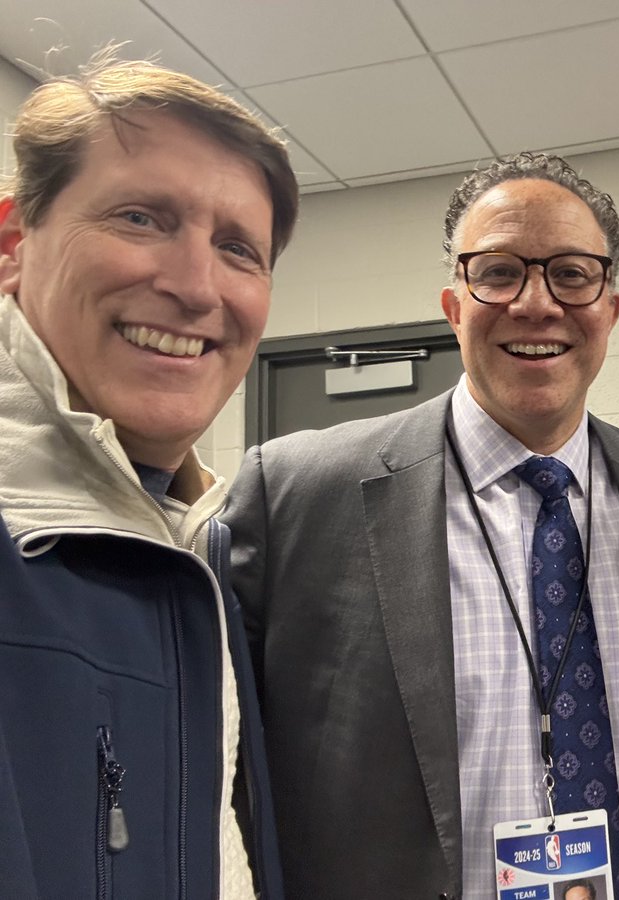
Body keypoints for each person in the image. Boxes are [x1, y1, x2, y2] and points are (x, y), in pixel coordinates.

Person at [224, 152, 619, 899]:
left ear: (610, 309)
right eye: (498, 272)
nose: (536, 303)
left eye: (573, 274)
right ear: (455, 307)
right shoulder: (297, 493)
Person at [0, 54, 299, 899]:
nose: (196, 285)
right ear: (13, 246)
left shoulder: (194, 543)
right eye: (140, 218)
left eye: (238, 248)